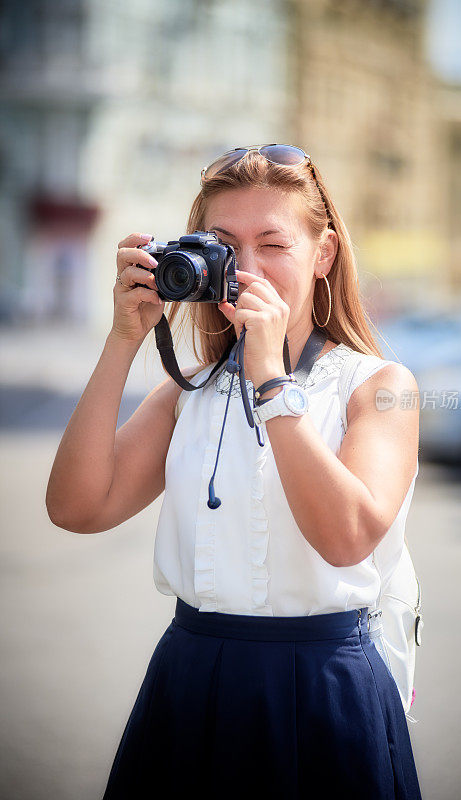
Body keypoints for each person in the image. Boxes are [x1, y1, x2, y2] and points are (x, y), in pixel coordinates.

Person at [46, 144, 422, 799]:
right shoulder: (187, 390)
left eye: (273, 243)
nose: (246, 269)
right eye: (224, 245)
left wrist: (272, 378)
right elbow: (78, 509)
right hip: (191, 676)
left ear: (323, 255)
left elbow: (346, 537)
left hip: (323, 686)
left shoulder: (383, 387)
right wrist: (124, 339)